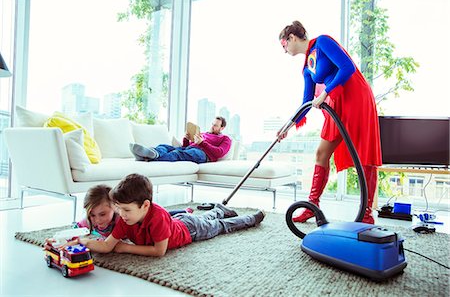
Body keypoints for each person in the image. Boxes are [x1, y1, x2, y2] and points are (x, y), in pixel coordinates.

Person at [278, 21, 382, 224]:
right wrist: (287, 127)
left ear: (292, 37)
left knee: (364, 154)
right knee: (321, 153)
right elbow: (306, 102)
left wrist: (325, 92)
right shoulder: (306, 68)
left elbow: (347, 67)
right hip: (336, 105)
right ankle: (312, 207)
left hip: (356, 98)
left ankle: (367, 215)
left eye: (284, 45)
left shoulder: (322, 42)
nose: (285, 50)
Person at [47, 173, 265, 257]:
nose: (121, 215)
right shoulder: (125, 218)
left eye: (126, 210)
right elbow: (105, 245)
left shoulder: (157, 216)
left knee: (220, 226)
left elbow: (159, 251)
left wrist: (126, 247)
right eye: (119, 209)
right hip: (179, 222)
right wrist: (78, 241)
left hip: (190, 230)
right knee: (207, 218)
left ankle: (250, 218)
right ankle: (218, 209)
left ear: (145, 205)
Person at [74, 184, 194, 239]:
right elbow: (76, 229)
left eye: (102, 214)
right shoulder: (89, 221)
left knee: (164, 216)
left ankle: (184, 211)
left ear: (115, 208)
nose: (97, 220)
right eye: (92, 215)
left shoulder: (123, 217)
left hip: (164, 219)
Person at [129, 116, 232, 164]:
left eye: (215, 125)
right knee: (165, 146)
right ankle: (153, 153)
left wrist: (202, 143)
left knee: (177, 153)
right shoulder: (203, 134)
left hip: (204, 155)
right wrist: (186, 139)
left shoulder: (225, 139)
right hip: (190, 149)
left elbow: (219, 153)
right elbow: (186, 147)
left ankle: (147, 158)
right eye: (212, 124)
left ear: (222, 128)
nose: (212, 126)